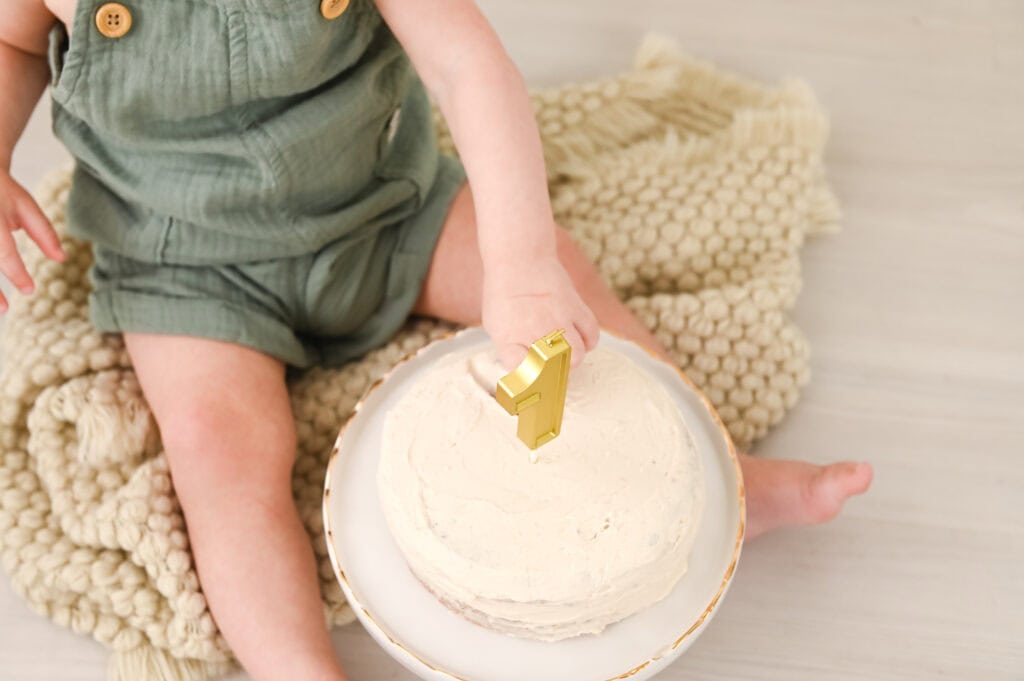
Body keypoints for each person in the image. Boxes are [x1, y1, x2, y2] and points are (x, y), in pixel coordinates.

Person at [0, 1, 873, 678]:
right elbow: (10, 45)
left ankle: (719, 479)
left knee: (567, 282)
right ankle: (299, 666)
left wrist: (520, 262)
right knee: (218, 454)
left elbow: (465, 63)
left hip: (384, 209)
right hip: (184, 266)